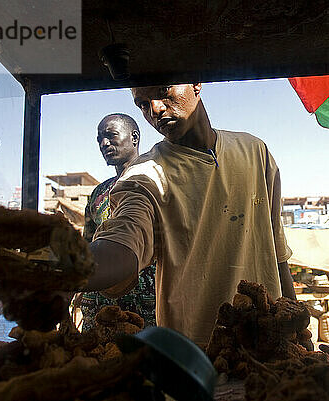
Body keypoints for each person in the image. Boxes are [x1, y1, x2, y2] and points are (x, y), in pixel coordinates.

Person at [86, 83, 295, 346]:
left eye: (163, 91)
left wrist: (295, 325)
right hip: (197, 356)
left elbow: (277, 253)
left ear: (196, 84)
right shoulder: (144, 176)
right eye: (142, 103)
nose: (155, 109)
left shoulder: (255, 151)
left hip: (271, 343)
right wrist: (68, 270)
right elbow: (124, 241)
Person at [79, 113, 157, 330]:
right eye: (99, 139)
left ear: (134, 137)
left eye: (111, 135)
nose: (104, 143)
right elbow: (87, 247)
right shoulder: (99, 194)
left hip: (148, 312)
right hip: (101, 312)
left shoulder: (157, 183)